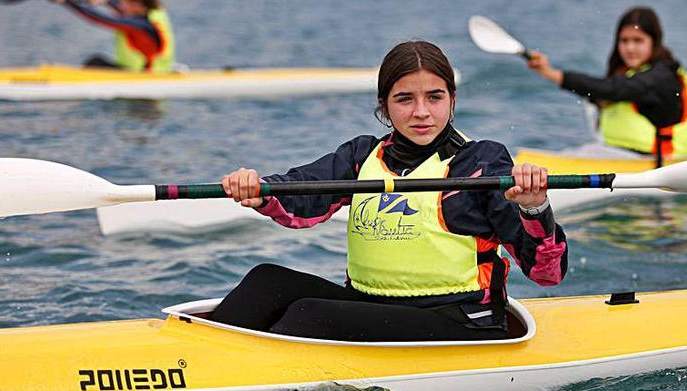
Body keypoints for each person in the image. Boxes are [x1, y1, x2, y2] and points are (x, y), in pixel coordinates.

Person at [212, 41, 568, 342]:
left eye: (434, 97)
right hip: (374, 309)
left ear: (452, 100)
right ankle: (199, 360)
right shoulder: (362, 155)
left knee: (310, 313)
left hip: (461, 323)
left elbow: (546, 273)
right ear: (384, 106)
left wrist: (535, 207)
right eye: (404, 99)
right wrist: (260, 191)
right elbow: (300, 194)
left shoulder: (480, 163)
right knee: (267, 281)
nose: (421, 112)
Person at [527, 6, 687, 164]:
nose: (630, 48)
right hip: (623, 155)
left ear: (654, 42)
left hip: (656, 162)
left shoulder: (662, 77)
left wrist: (552, 73)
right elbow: (599, 91)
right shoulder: (630, 73)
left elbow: (611, 89)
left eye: (638, 40)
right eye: (624, 41)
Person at [53, 0, 174, 73]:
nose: (121, 5)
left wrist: (68, 2)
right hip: (150, 71)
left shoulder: (141, 24)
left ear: (139, 5)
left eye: (125, 2)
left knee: (95, 63)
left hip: (142, 74)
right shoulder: (152, 12)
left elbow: (101, 19)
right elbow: (114, 3)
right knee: (96, 62)